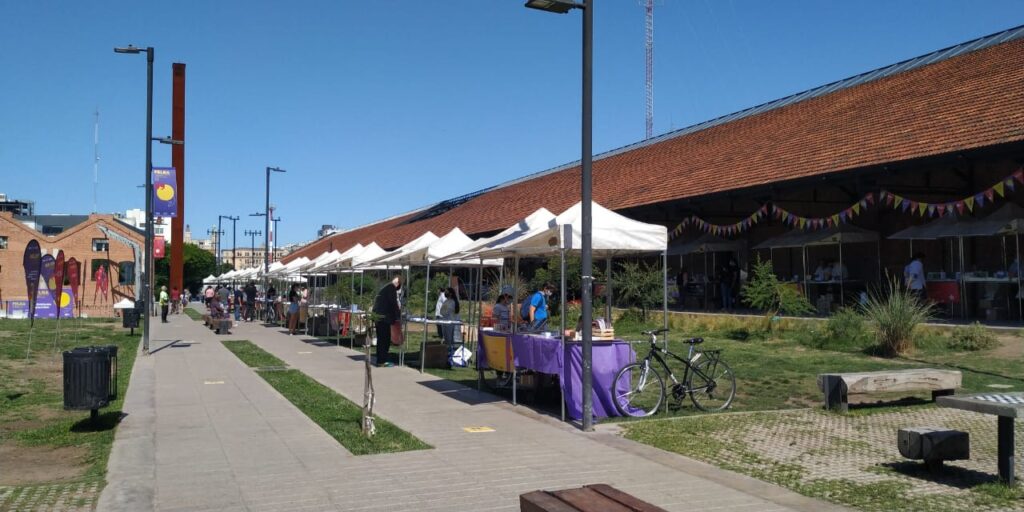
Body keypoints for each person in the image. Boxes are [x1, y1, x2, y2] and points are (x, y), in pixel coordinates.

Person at [372, 275, 403, 367]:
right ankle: (382, 361)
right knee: (384, 340)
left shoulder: (385, 287)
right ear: (397, 284)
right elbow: (393, 303)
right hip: (383, 318)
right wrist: (398, 314)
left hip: (379, 317)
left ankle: (380, 359)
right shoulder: (391, 288)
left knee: (381, 339)